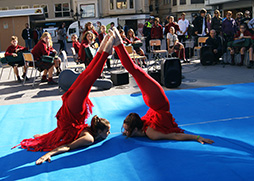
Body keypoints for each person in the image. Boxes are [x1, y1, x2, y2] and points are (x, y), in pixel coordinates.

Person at [13, 33, 114, 165]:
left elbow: (67, 146)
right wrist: (48, 151)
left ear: (99, 131)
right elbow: (67, 146)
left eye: (108, 131)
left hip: (73, 111)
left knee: (88, 78)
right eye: (108, 131)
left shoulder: (88, 136)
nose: (109, 133)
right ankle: (102, 51)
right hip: (73, 111)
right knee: (86, 76)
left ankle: (104, 51)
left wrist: (48, 153)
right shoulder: (89, 137)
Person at [111, 27, 213, 144]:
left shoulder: (150, 133)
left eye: (126, 130)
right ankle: (118, 45)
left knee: (135, 70)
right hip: (157, 101)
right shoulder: (146, 131)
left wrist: (197, 137)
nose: (124, 132)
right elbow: (175, 135)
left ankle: (118, 44)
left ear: (135, 129)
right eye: (126, 130)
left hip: (155, 101)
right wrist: (197, 137)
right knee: (135, 70)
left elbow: (175, 136)